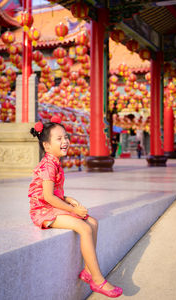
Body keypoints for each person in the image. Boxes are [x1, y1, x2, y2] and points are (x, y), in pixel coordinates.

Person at [28, 115, 123, 298]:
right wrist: (72, 210)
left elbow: (53, 192)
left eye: (65, 137)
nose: (65, 141)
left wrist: (68, 199)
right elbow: (47, 196)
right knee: (84, 228)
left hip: (51, 205)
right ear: (46, 146)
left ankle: (88, 271)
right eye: (59, 138)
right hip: (42, 211)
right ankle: (97, 279)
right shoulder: (48, 166)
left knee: (93, 222)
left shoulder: (54, 162)